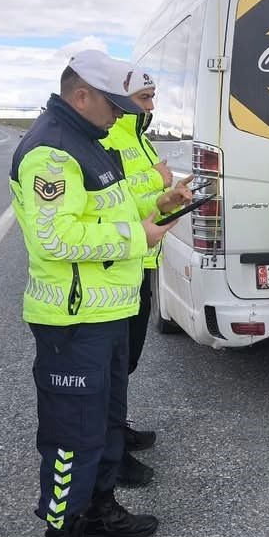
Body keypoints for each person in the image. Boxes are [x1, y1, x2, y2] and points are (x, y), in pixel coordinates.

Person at [9, 49, 190, 537]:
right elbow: (56, 238)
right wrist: (143, 236)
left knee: (108, 420)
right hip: (73, 320)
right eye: (111, 105)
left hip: (108, 310)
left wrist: (160, 201)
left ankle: (101, 508)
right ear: (80, 94)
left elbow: (109, 210)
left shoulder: (89, 143)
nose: (119, 116)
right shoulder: (51, 153)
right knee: (72, 439)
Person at [100, 69, 171, 488]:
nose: (150, 105)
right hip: (120, 264)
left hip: (140, 260)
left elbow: (139, 199)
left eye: (152, 97)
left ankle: (118, 431)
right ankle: (112, 453)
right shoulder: (111, 138)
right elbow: (114, 197)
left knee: (126, 361)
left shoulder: (139, 137)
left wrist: (167, 200)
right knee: (114, 364)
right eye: (144, 97)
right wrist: (157, 181)